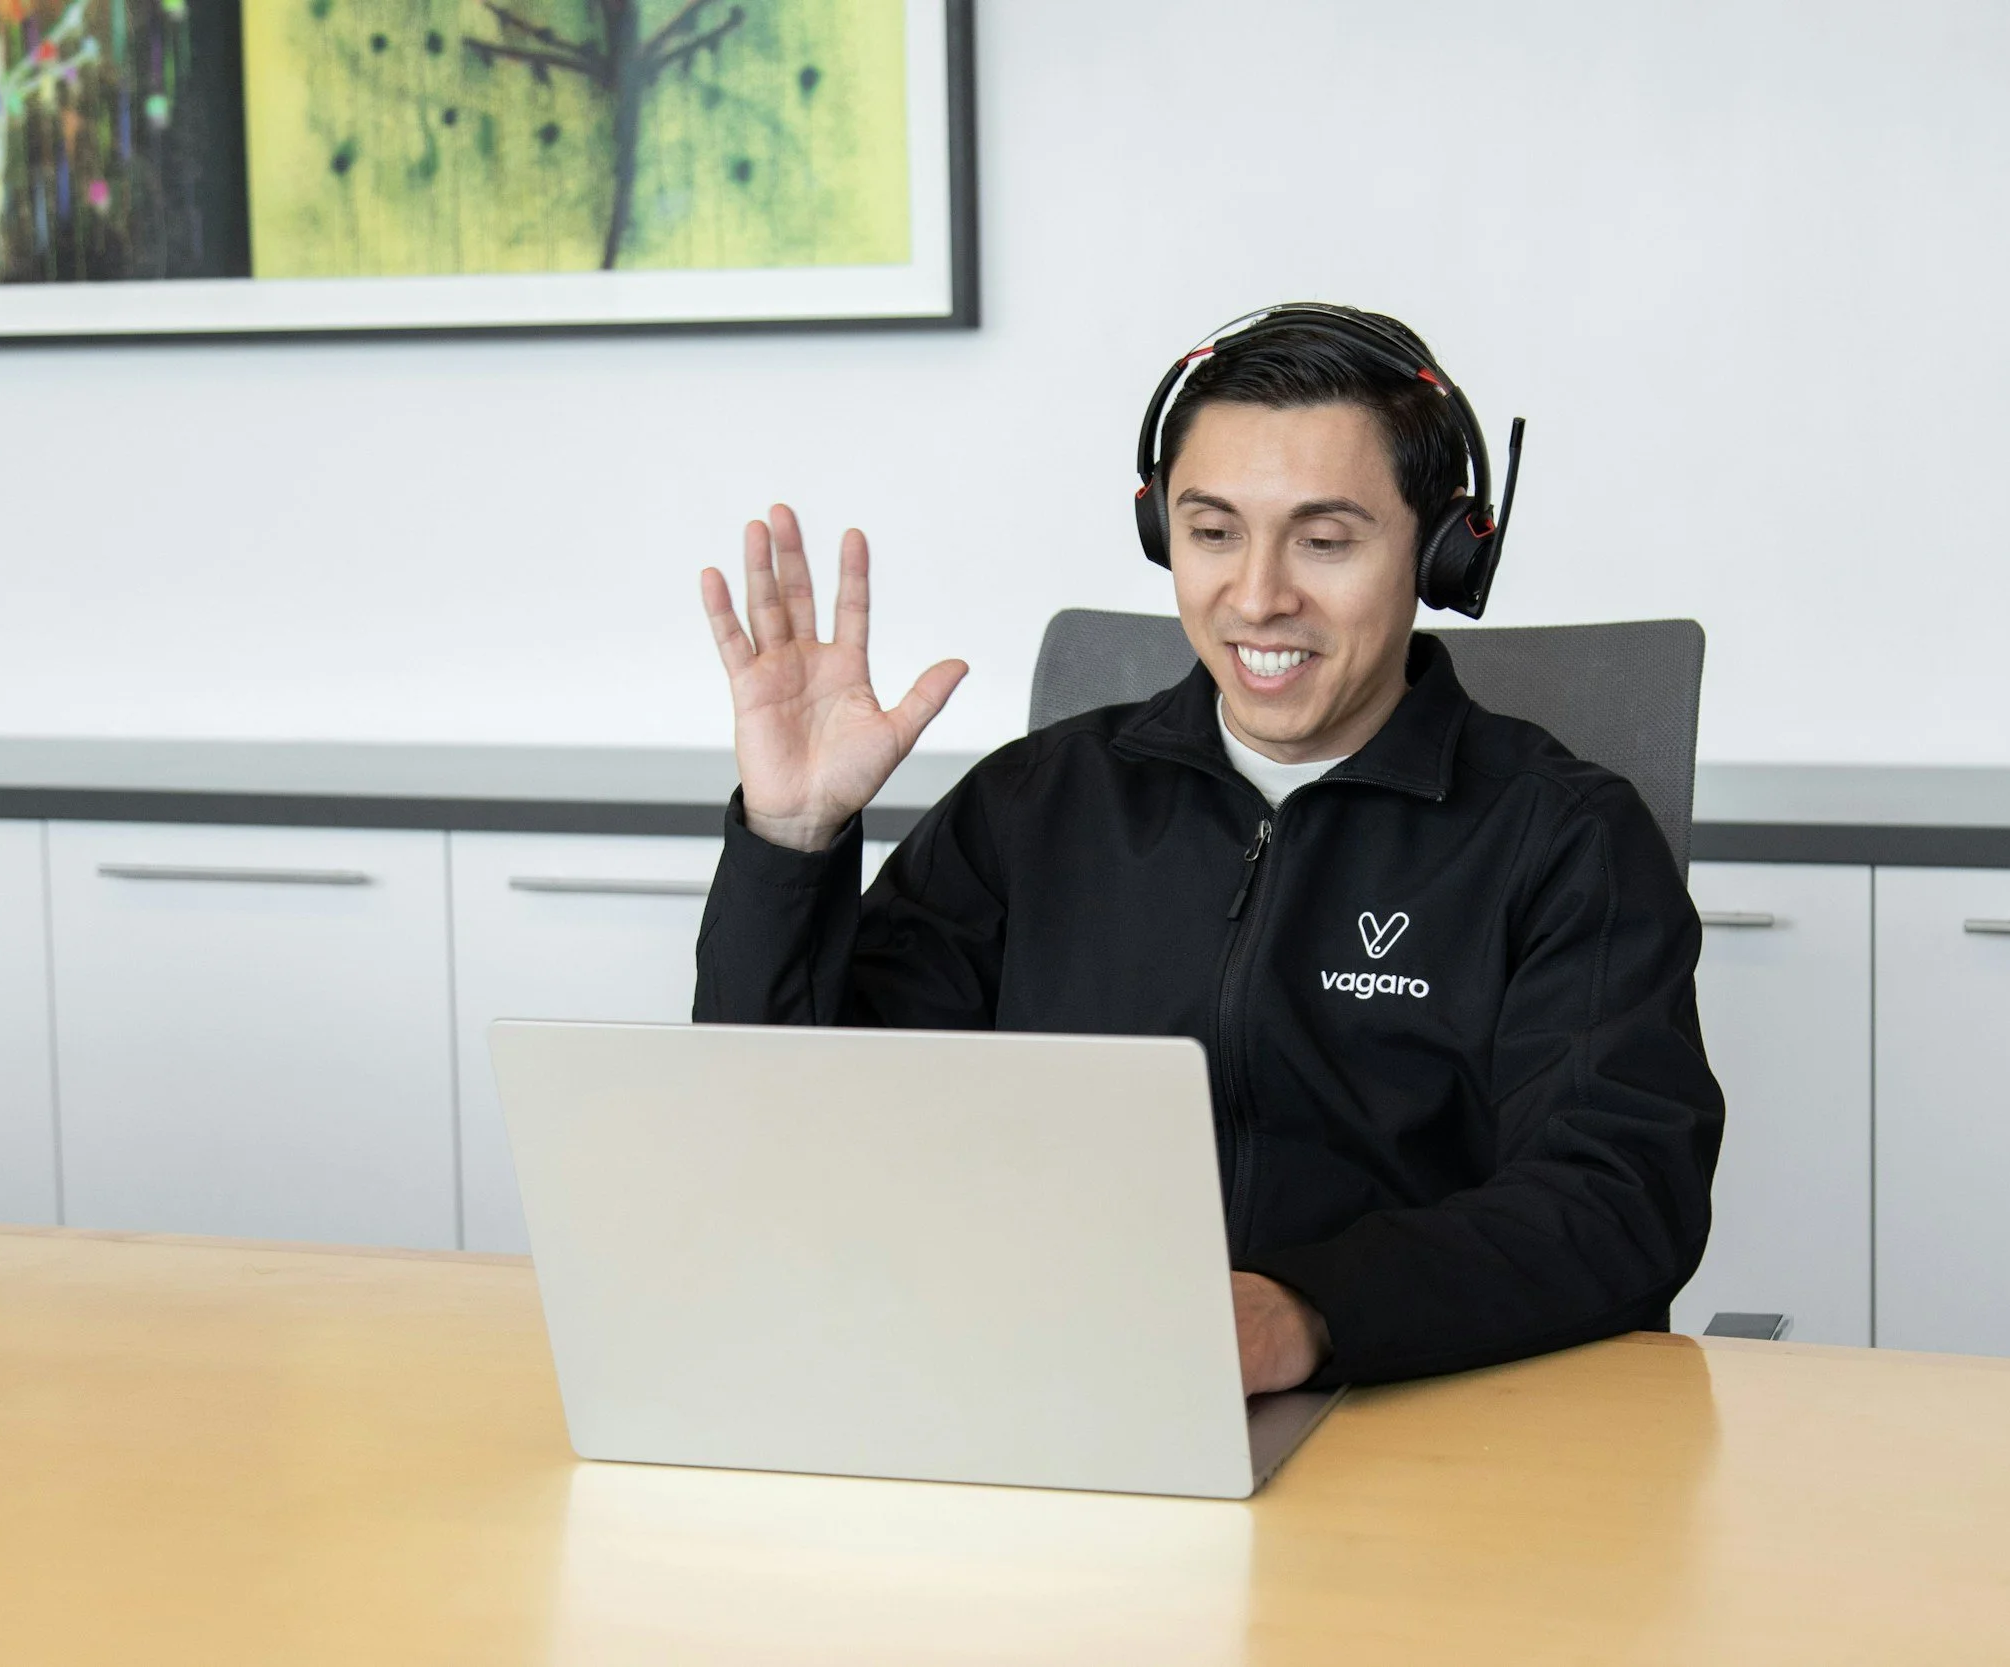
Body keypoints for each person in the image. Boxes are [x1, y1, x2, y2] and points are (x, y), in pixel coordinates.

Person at [694, 303, 1722, 1393]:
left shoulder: (1560, 837)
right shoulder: (1033, 805)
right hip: (1060, 1392)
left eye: (1325, 540)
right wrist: (791, 843)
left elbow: (1618, 1198)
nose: (1258, 594)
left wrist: (1304, 1312)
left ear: (1438, 551)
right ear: (1162, 536)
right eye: (1213, 531)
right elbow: (795, 1140)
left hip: (1426, 1421)